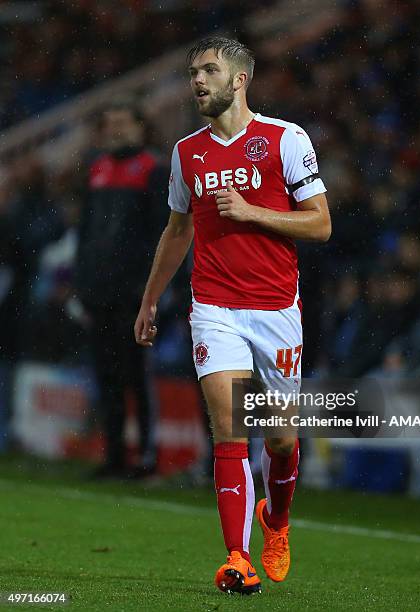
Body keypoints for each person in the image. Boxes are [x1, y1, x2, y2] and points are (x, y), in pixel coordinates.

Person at [135, 37, 331, 594]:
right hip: (214, 307)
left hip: (275, 310)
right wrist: (150, 299)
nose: (197, 80)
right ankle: (237, 558)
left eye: (209, 70)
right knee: (230, 430)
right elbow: (178, 230)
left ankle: (277, 519)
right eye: (192, 70)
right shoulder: (186, 153)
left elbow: (320, 225)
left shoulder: (284, 139)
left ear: (240, 79)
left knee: (281, 441)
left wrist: (252, 211)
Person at [76, 96, 169, 479]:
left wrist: (149, 289)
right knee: (108, 375)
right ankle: (115, 454)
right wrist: (82, 282)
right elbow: (85, 234)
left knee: (136, 374)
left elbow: (161, 234)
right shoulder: (97, 170)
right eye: (110, 123)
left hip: (133, 294)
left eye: (123, 123)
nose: (115, 130)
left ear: (140, 128)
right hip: (98, 293)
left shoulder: (151, 170)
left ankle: (147, 455)